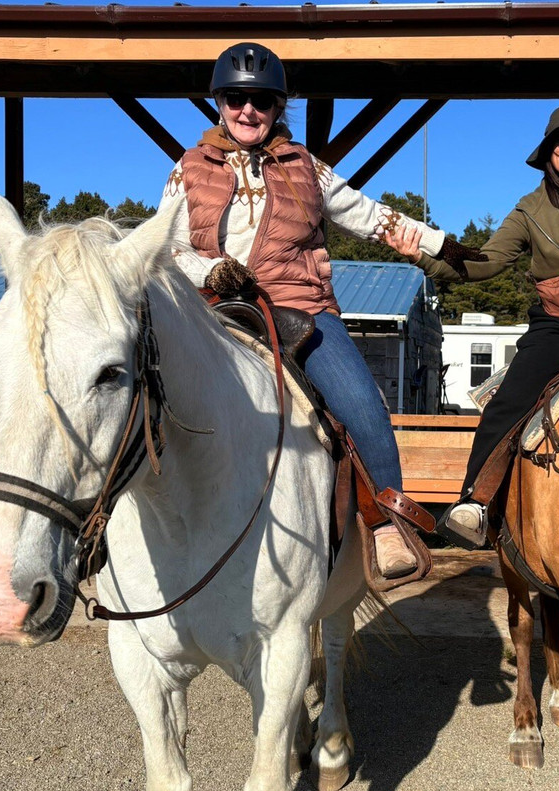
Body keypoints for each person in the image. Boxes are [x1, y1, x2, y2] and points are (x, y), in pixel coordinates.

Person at [158, 42, 450, 579]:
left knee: (362, 401)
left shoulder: (306, 166)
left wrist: (439, 246)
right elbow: (168, 247)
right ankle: (103, 518)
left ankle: (387, 522)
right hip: (214, 306)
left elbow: (368, 215)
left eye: (261, 101)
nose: (248, 112)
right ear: (219, 103)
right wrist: (209, 273)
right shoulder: (188, 169)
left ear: (278, 107)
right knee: (132, 387)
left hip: (301, 307)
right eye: (235, 99)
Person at [390, 104, 559, 548]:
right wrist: (421, 255)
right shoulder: (530, 209)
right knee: (507, 404)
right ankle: (475, 504)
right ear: (549, 149)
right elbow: (487, 262)